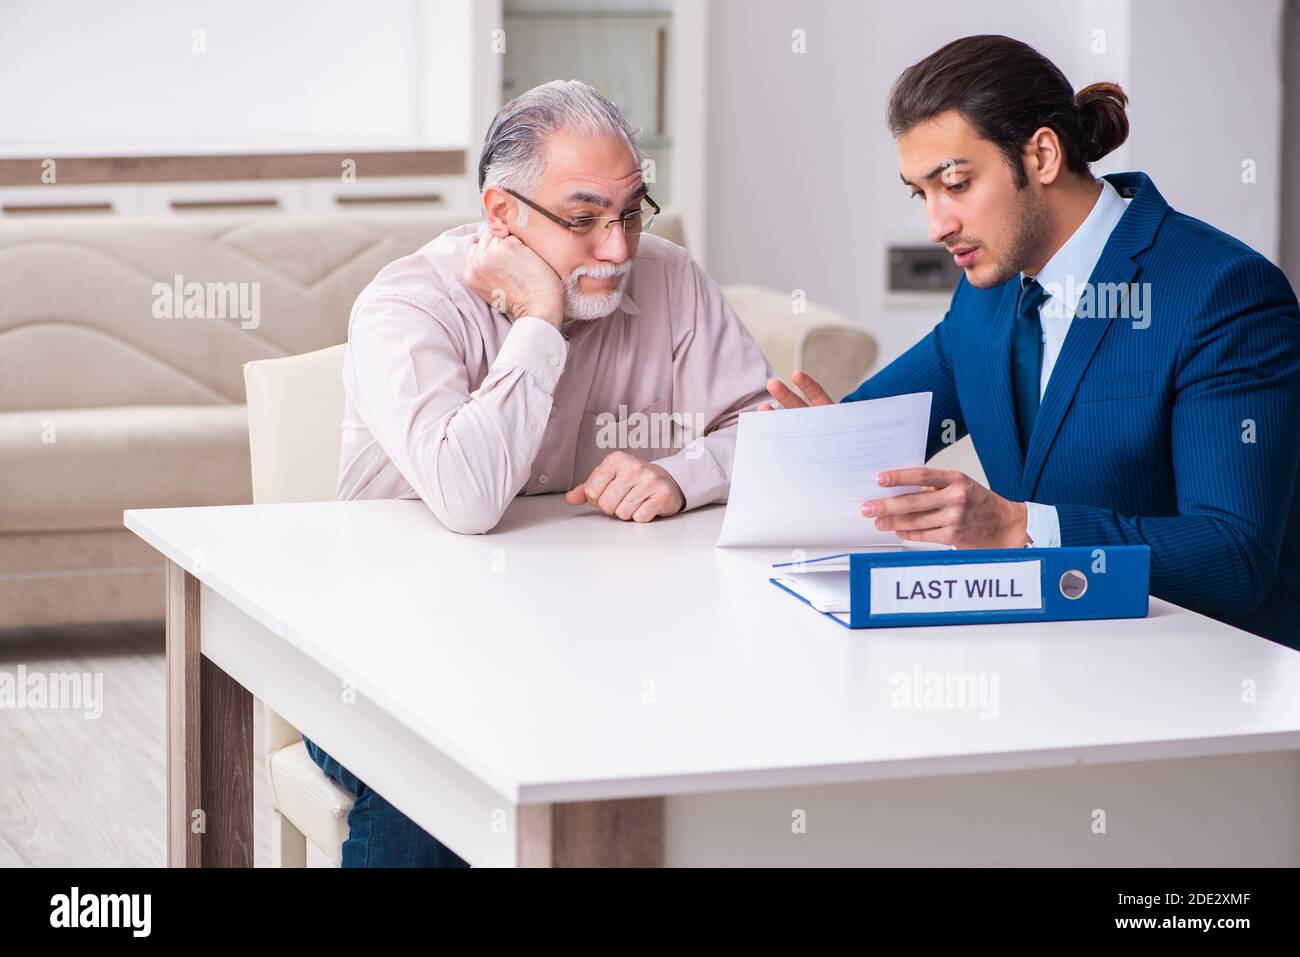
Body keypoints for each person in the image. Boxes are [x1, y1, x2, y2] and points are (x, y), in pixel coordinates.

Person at [303, 79, 773, 866]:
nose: (619, 248)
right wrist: (539, 321)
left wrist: (684, 473)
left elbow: (766, 426)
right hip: (392, 665)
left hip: (590, 657)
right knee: (442, 784)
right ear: (501, 215)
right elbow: (467, 495)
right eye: (584, 220)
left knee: (715, 747)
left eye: (630, 214)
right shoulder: (406, 307)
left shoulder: (673, 280)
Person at [763, 35, 1300, 651]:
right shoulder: (987, 293)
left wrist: (1021, 526)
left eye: (957, 183)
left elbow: (1233, 557)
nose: (937, 225)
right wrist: (818, 447)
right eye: (922, 194)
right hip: (1043, 664)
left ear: (1042, 155)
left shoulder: (1222, 292)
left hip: (1202, 680)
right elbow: (869, 432)